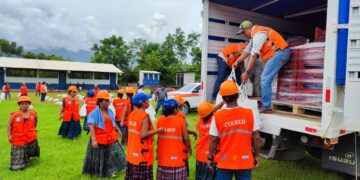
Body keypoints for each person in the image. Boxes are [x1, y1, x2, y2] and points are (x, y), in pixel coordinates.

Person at [207, 80, 261, 180]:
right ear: (237, 95)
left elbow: (213, 140)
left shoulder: (217, 116)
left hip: (224, 161)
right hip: (244, 161)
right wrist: (256, 156)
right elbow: (256, 138)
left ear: (224, 98)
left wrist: (210, 157)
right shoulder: (250, 113)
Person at [233, 21, 290, 113]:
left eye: (243, 32)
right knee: (266, 78)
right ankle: (266, 103)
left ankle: (266, 107)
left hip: (280, 53)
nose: (243, 35)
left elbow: (254, 54)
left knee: (265, 79)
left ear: (248, 29)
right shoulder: (253, 37)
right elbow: (247, 51)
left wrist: (247, 73)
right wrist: (237, 61)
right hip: (277, 54)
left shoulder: (259, 34)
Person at [83, 90, 126, 177]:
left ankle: (115, 169)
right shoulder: (94, 114)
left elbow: (113, 122)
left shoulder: (109, 111)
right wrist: (94, 141)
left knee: (118, 154)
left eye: (108, 100)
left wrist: (118, 130)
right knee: (104, 157)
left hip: (111, 137)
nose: (107, 102)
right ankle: (109, 172)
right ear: (99, 101)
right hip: (100, 139)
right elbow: (91, 128)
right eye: (105, 101)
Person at [125, 93, 164, 180]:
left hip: (132, 153)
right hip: (142, 156)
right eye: (147, 100)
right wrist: (158, 131)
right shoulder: (144, 116)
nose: (148, 101)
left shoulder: (131, 114)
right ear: (143, 103)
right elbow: (144, 134)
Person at [156, 99, 192, 180]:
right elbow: (186, 138)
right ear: (175, 109)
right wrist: (189, 149)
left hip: (163, 160)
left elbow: (159, 138)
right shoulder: (181, 121)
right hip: (177, 161)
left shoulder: (160, 120)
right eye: (178, 108)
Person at [7, 96, 40, 170]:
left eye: (26, 103)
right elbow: (9, 125)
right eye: (22, 104)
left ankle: (27, 157)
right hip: (18, 139)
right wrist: (9, 136)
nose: (24, 105)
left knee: (31, 150)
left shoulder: (33, 114)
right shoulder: (14, 115)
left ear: (29, 104)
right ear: (19, 105)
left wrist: (33, 129)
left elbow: (35, 121)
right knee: (17, 167)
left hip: (30, 137)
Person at [195, 101, 224, 180]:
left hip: (200, 154)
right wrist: (224, 102)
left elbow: (209, 111)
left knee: (200, 176)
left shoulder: (201, 120)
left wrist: (222, 103)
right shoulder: (215, 120)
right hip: (210, 156)